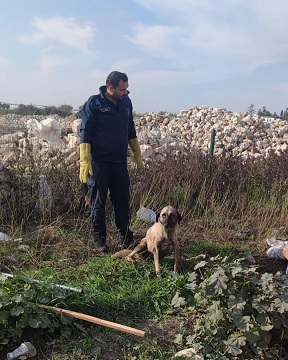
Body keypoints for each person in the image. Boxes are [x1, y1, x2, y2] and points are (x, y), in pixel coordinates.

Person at [79, 71, 143, 252]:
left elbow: (130, 128)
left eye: (127, 89)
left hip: (119, 162)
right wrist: (84, 160)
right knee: (98, 203)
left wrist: (137, 153)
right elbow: (86, 132)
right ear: (111, 88)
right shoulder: (94, 103)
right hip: (99, 162)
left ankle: (125, 237)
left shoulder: (126, 103)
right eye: (123, 89)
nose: (126, 93)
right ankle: (100, 241)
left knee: (122, 201)